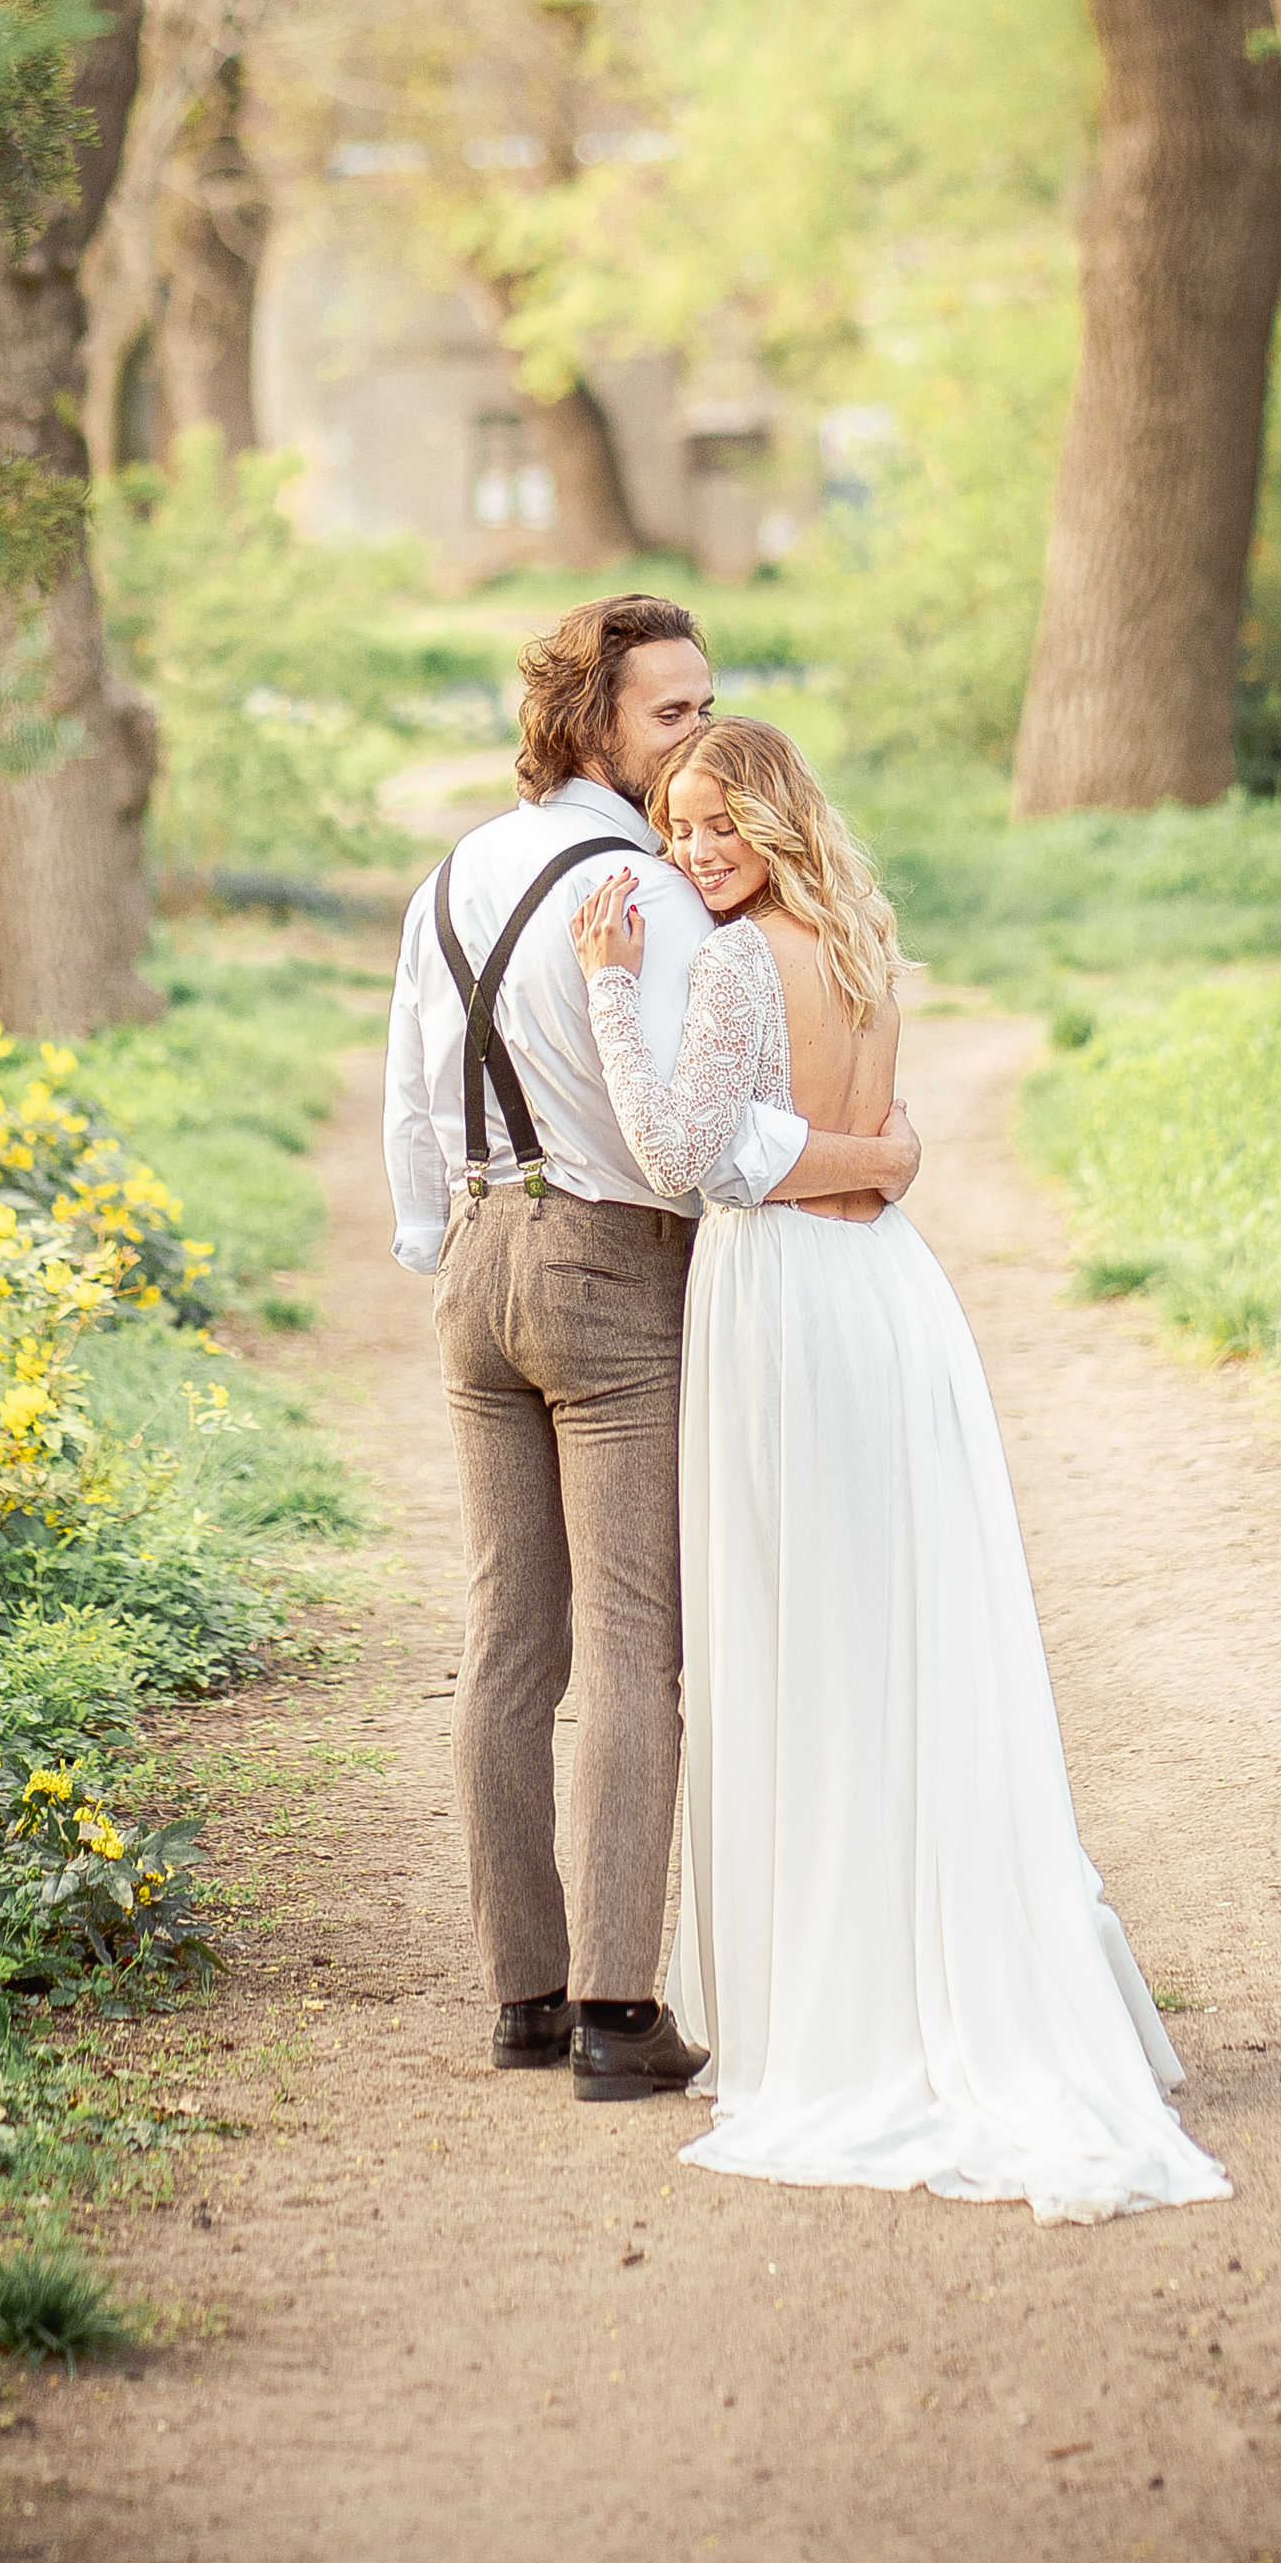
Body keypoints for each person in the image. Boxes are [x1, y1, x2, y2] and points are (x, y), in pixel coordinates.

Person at [569, 716, 1230, 2222]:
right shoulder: (861, 942)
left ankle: (843, 2007)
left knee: (810, 1639)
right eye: (676, 828)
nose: (694, 853)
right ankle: (915, 1961)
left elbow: (681, 1157)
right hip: (884, 1292)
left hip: (788, 1303)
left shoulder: (735, 964)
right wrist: (876, 1160)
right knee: (894, 1635)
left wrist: (611, 986)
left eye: (719, 823)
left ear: (777, 819)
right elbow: (872, 1140)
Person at [384, 598, 924, 2102]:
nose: (701, 734)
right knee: (633, 1641)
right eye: (671, 713)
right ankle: (619, 2011)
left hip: (476, 1260)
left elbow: (413, 1098)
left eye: (705, 704)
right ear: (594, 725)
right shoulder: (655, 896)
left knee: (508, 1637)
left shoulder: (452, 876)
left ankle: (524, 1996)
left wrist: (446, 1243)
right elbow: (707, 1145)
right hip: (611, 1264)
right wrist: (876, 1158)